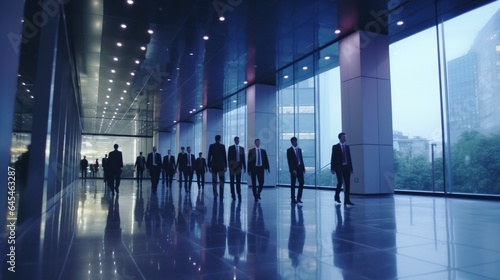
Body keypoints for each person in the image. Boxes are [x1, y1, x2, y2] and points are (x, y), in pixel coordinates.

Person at [331, 132, 355, 206]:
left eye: (345, 137)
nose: (345, 138)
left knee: (347, 184)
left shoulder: (347, 147)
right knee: (340, 182)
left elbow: (349, 158)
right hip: (339, 168)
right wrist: (332, 168)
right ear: (340, 138)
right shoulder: (335, 147)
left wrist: (351, 168)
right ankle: (337, 195)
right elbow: (333, 158)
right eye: (344, 137)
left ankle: (347, 200)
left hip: (346, 167)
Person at [207, 135, 227, 200]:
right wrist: (225, 166)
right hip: (221, 166)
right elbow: (224, 157)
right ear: (220, 139)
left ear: (215, 139)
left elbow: (209, 156)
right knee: (221, 181)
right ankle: (221, 195)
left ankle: (215, 194)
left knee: (214, 181)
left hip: (214, 166)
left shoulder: (211, 146)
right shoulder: (222, 146)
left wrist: (209, 166)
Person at [287, 137, 305, 204]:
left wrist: (303, 168)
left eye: (296, 141)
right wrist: (293, 169)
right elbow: (289, 161)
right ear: (292, 142)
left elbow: (301, 160)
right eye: (295, 141)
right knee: (293, 184)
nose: (296, 142)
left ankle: (299, 198)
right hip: (294, 169)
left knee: (302, 182)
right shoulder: (289, 150)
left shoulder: (299, 150)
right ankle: (293, 198)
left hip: (300, 168)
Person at [228, 136, 246, 200]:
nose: (238, 141)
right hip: (232, 167)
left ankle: (239, 194)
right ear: (234, 141)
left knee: (238, 181)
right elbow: (229, 158)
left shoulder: (242, 148)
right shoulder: (230, 148)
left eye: (238, 140)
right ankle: (233, 194)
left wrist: (244, 167)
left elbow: (243, 158)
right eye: (236, 140)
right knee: (232, 181)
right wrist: (229, 166)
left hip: (239, 166)